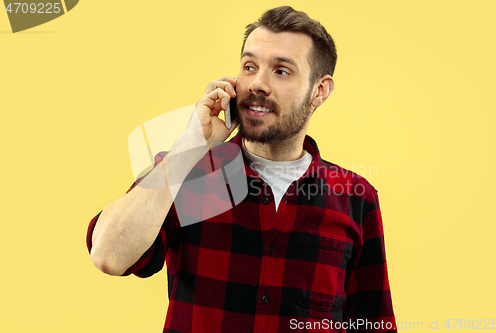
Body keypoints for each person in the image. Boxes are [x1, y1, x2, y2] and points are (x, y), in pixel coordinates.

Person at [86, 6, 397, 333]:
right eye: (250, 67)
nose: (257, 83)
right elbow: (108, 255)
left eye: (281, 71)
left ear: (319, 91)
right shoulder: (190, 174)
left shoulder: (354, 198)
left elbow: (373, 323)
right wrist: (190, 145)